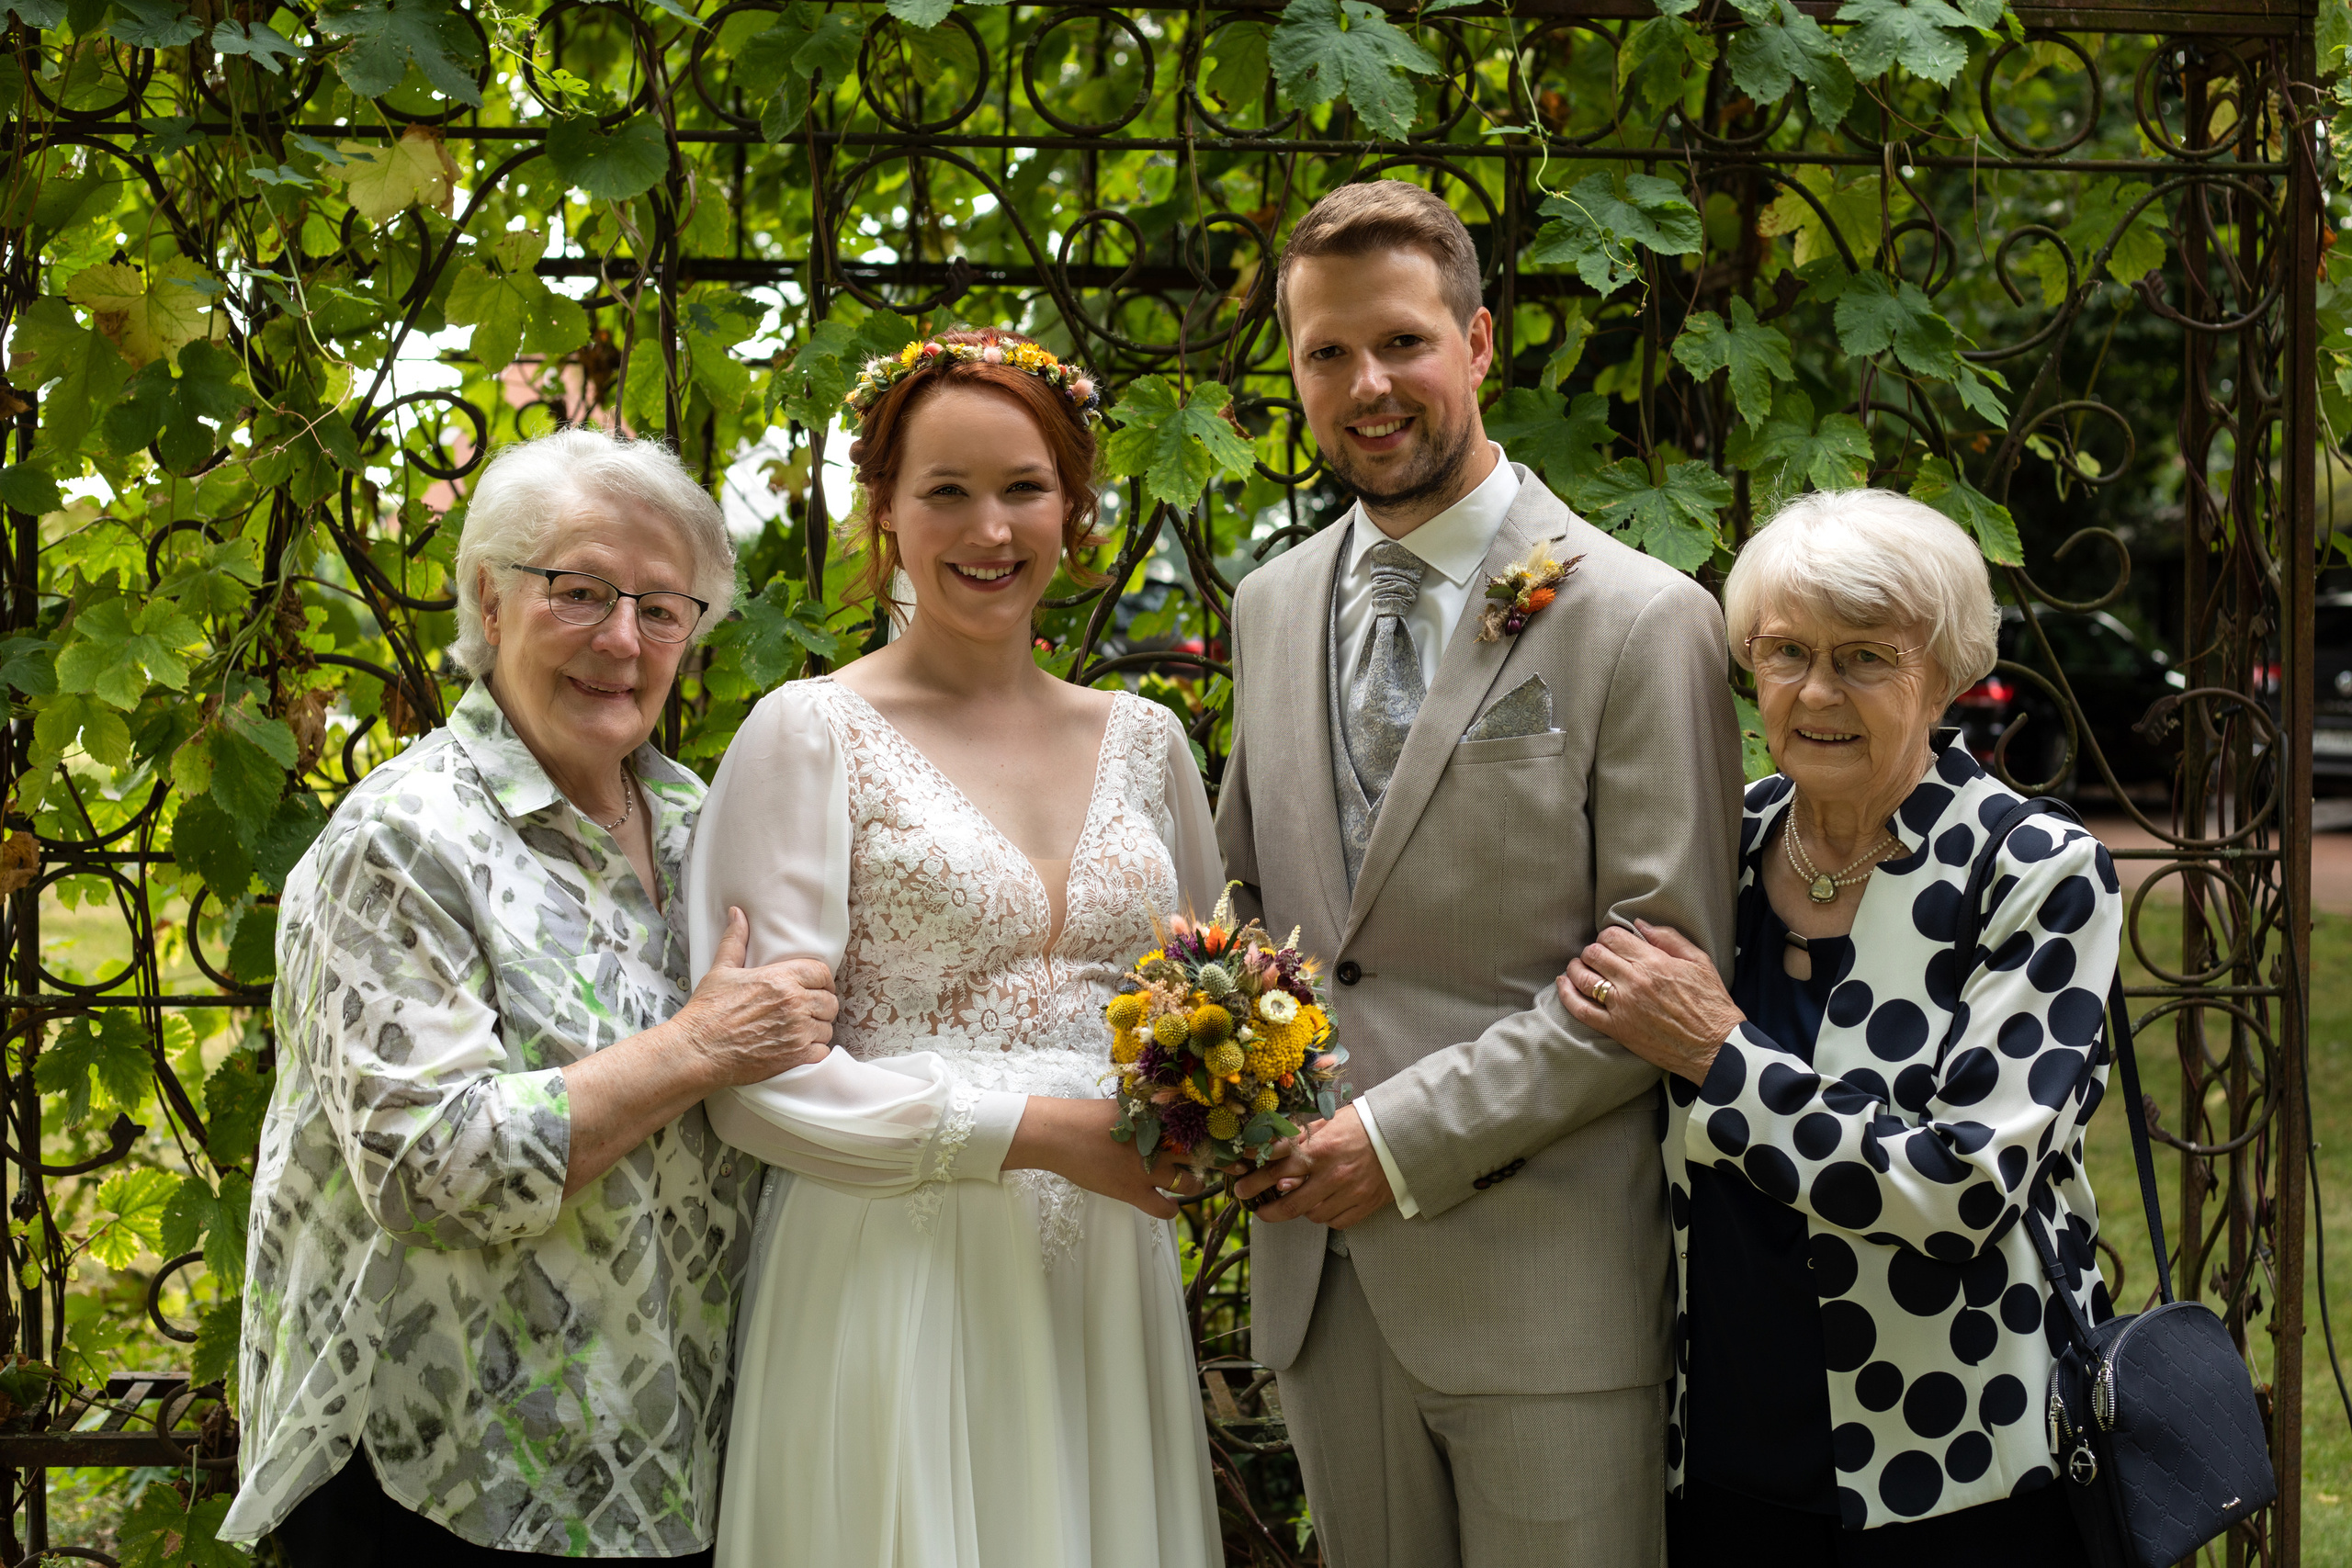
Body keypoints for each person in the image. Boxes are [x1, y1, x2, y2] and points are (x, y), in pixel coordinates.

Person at [1221, 178, 1746, 1565]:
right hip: (1324, 1294)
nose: (1366, 384)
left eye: (1401, 340)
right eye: (1326, 352)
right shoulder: (1268, 608)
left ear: (1479, 341)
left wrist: (1390, 1144)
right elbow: (1251, 902)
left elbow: (1661, 968)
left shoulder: (1641, 617)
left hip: (1545, 1293)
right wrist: (1233, 1082)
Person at [223, 427, 842, 1563]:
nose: (623, 639)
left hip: (669, 1464)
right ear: (488, 600)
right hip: (444, 1480)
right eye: (580, 591)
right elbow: (431, 1168)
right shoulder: (405, 840)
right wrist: (699, 1046)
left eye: (664, 609)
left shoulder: (707, 825)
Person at [688, 327, 1224, 1568]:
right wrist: (1036, 1131)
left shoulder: (1149, 743)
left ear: (1075, 509)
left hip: (1104, 1280)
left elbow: (1216, 995)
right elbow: (756, 1086)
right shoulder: (809, 734)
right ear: (884, 513)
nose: (991, 529)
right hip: (895, 1264)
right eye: (947, 491)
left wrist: (1220, 1122)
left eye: (1024, 487)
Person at [1555, 490, 2116, 1563]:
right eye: (1784, 652)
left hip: (1952, 1468)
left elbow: (1957, 1192)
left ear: (1945, 675)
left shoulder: (2034, 870)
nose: (1816, 690)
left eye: (1865, 657)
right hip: (1719, 1447)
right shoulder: (1719, 847)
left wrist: (1721, 1058)